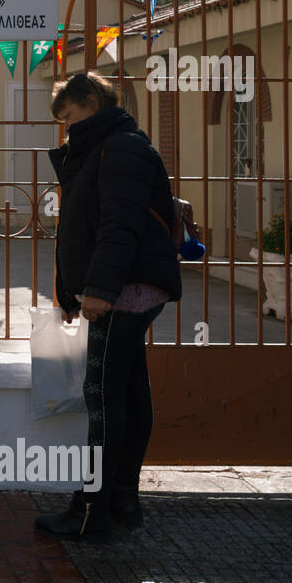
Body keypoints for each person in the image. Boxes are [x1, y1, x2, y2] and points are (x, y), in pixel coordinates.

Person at [36, 72, 182, 542]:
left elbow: (118, 226)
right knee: (129, 391)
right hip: (129, 289)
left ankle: (90, 511)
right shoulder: (116, 145)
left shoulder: (117, 148)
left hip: (122, 293)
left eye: (71, 116)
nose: (67, 129)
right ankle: (122, 499)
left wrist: (97, 291)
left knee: (103, 398)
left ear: (93, 102)